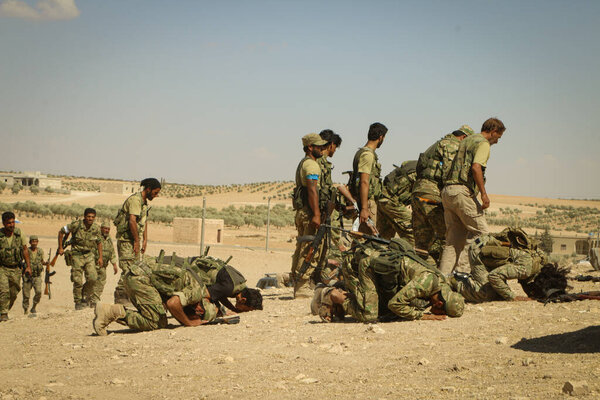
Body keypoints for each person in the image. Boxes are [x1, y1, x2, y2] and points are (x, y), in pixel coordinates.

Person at [311, 238, 464, 322]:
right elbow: (395, 304)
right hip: (367, 266)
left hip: (379, 272)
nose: (440, 314)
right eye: (442, 312)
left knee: (388, 313)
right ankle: (332, 295)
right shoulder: (426, 283)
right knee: (370, 315)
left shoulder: (441, 283)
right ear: (439, 303)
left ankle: (346, 295)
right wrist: (426, 316)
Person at [439, 118, 506, 275]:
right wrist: (484, 194)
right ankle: (462, 275)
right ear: (493, 132)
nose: (497, 142)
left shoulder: (466, 140)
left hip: (448, 191)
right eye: (498, 137)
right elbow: (476, 167)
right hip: (462, 192)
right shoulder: (483, 143)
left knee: (453, 241)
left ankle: (442, 280)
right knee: (481, 233)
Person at [93, 259, 218, 335]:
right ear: (200, 309)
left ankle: (111, 313)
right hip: (141, 279)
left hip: (135, 274)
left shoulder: (196, 284)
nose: (195, 316)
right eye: (198, 316)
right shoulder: (196, 291)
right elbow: (172, 304)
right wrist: (189, 322)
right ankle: (112, 311)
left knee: (154, 313)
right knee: (156, 322)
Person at [411, 125, 474, 264]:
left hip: (418, 193)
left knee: (422, 244)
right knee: (449, 238)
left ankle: (421, 275)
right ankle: (445, 278)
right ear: (463, 138)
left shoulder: (437, 144)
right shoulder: (452, 144)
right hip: (432, 195)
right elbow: (449, 173)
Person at [452, 228, 550, 302]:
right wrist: (512, 297)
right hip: (479, 250)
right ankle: (454, 280)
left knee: (498, 294)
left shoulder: (541, 261)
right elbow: (494, 276)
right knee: (485, 294)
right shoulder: (526, 269)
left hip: (493, 254)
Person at [113, 178, 161, 305]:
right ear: (148, 189)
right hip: (126, 241)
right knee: (128, 269)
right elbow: (132, 221)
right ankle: (120, 297)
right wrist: (136, 241)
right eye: (155, 193)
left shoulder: (144, 203)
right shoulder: (135, 200)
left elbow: (143, 222)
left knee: (135, 269)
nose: (156, 196)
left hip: (134, 240)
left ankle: (129, 297)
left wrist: (145, 240)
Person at [290, 133, 328, 298]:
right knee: (310, 248)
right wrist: (317, 214)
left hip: (303, 211)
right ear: (310, 147)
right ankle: (302, 286)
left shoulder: (303, 164)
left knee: (302, 246)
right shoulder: (311, 165)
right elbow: (312, 189)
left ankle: (297, 281)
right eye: (318, 146)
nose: (322, 149)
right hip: (309, 212)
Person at [58, 208, 102, 310]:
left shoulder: (96, 228)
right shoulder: (76, 225)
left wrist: (100, 257)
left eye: (92, 217)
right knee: (77, 280)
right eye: (88, 217)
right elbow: (61, 232)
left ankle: (84, 294)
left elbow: (99, 242)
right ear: (85, 217)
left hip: (89, 255)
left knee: (93, 278)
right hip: (77, 255)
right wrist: (60, 247)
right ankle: (78, 302)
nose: (90, 219)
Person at [350, 122, 387, 234]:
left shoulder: (362, 152)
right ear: (381, 137)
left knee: (361, 239)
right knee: (368, 240)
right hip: (367, 203)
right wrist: (365, 209)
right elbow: (364, 182)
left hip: (363, 201)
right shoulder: (368, 155)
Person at [0, 211, 31, 321]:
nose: (12, 225)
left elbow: (25, 250)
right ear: (4, 223)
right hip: (2, 267)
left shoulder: (19, 234)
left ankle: (3, 310)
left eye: (13, 222)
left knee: (14, 292)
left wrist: (28, 266)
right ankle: (3, 314)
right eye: (9, 223)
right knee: (4, 291)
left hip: (16, 268)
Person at [376, 160, 417, 242]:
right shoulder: (423, 171)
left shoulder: (411, 166)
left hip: (382, 199)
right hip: (392, 201)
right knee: (414, 232)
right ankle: (410, 253)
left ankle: (378, 253)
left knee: (384, 238)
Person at [90, 223, 118, 308]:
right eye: (105, 229)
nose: (107, 230)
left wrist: (114, 264)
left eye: (108, 229)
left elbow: (112, 252)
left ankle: (95, 300)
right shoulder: (96, 237)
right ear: (101, 228)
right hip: (94, 264)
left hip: (103, 266)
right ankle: (86, 298)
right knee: (91, 281)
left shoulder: (109, 239)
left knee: (101, 282)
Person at [22, 235, 47, 315]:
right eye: (33, 241)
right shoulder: (27, 251)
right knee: (26, 295)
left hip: (37, 275)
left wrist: (46, 263)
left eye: (36, 241)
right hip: (28, 276)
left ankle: (34, 307)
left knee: (39, 292)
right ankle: (26, 310)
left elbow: (42, 261)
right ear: (30, 242)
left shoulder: (40, 251)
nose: (34, 243)